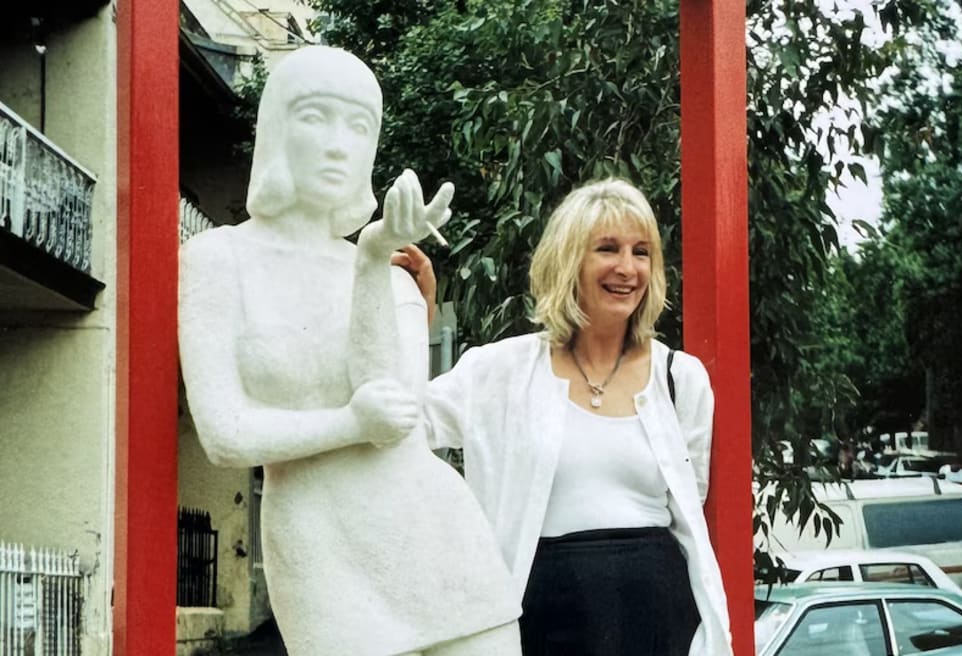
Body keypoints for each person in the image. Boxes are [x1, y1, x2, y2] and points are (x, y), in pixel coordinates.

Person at [178, 46, 520, 656]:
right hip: (319, 546)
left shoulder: (388, 277)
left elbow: (394, 418)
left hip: (435, 538)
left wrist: (369, 259)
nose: (339, 144)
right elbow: (225, 434)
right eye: (315, 116)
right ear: (279, 126)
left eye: (359, 125)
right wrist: (347, 422)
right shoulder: (216, 260)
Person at [424, 178, 733, 655]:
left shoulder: (680, 378)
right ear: (568, 260)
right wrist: (411, 316)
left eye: (642, 251)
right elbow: (403, 423)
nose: (627, 268)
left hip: (659, 621)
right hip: (544, 618)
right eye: (607, 249)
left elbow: (688, 509)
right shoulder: (501, 371)